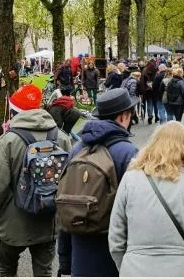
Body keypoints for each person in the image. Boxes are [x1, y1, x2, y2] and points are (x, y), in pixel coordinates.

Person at [0, 85, 72, 277]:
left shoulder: (8, 141)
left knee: (7, 270)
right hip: (47, 220)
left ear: (16, 111)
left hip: (11, 223)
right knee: (44, 271)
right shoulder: (61, 138)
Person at [108, 122, 184, 276]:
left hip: (134, 268)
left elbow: (116, 236)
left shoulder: (130, 179)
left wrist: (126, 267)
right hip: (179, 270)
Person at [66, 89, 138, 277]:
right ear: (123, 116)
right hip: (116, 250)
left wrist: (64, 258)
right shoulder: (129, 153)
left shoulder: (77, 150)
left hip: (80, 249)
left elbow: (65, 201)